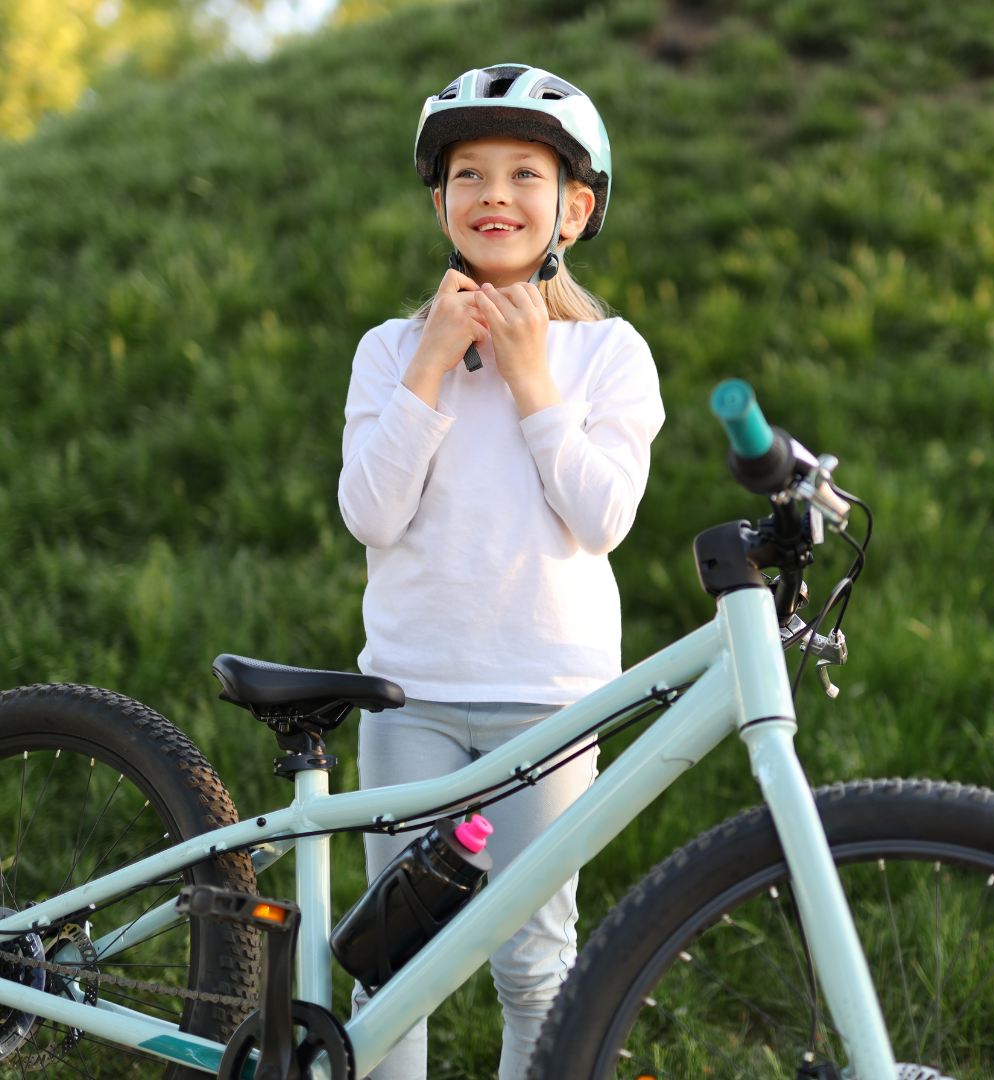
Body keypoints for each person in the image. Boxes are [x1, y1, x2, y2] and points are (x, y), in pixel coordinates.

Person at [338, 63, 665, 1080]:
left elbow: (603, 518)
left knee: (535, 966)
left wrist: (530, 380)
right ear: (440, 201)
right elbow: (370, 512)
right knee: (396, 964)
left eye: (525, 173)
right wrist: (429, 369)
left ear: (575, 205)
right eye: (469, 174)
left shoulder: (609, 355)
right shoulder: (391, 349)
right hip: (410, 697)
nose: (494, 195)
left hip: (548, 706)